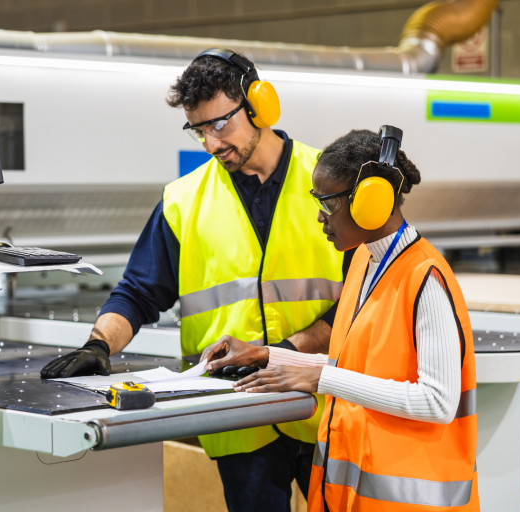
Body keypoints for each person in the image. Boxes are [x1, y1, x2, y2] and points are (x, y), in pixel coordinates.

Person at [41, 48, 352, 512]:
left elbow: (360, 299)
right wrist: (99, 345)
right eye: (199, 129)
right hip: (239, 416)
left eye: (220, 124)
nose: (210, 143)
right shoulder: (183, 200)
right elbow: (139, 291)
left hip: (322, 404)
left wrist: (286, 352)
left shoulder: (325, 181)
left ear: (258, 106)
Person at [202, 127, 479, 510]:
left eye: (328, 203)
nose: (320, 217)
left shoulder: (424, 277)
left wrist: (321, 379)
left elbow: (438, 401)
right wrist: (267, 355)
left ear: (372, 203)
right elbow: (351, 366)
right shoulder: (367, 262)